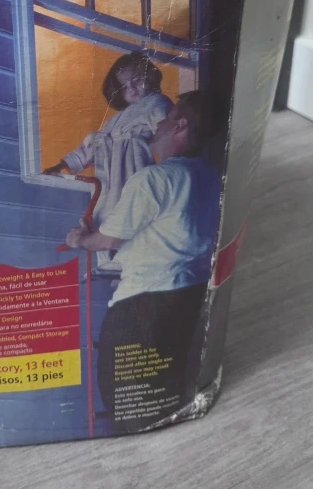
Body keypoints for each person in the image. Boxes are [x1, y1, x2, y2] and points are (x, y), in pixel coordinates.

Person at [65, 91, 221, 432]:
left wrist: (81, 240)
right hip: (191, 298)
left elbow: (108, 239)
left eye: (168, 117)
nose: (158, 123)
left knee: (125, 399)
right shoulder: (209, 178)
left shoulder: (153, 179)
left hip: (144, 304)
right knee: (168, 386)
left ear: (179, 126)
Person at [44, 51, 172, 271]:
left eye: (137, 80)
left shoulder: (157, 102)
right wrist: (61, 166)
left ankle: (130, 266)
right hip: (107, 180)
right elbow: (89, 150)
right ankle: (109, 266)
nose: (132, 88)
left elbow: (167, 134)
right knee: (104, 215)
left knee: (129, 216)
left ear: (150, 76)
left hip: (131, 171)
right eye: (124, 86)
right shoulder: (112, 122)